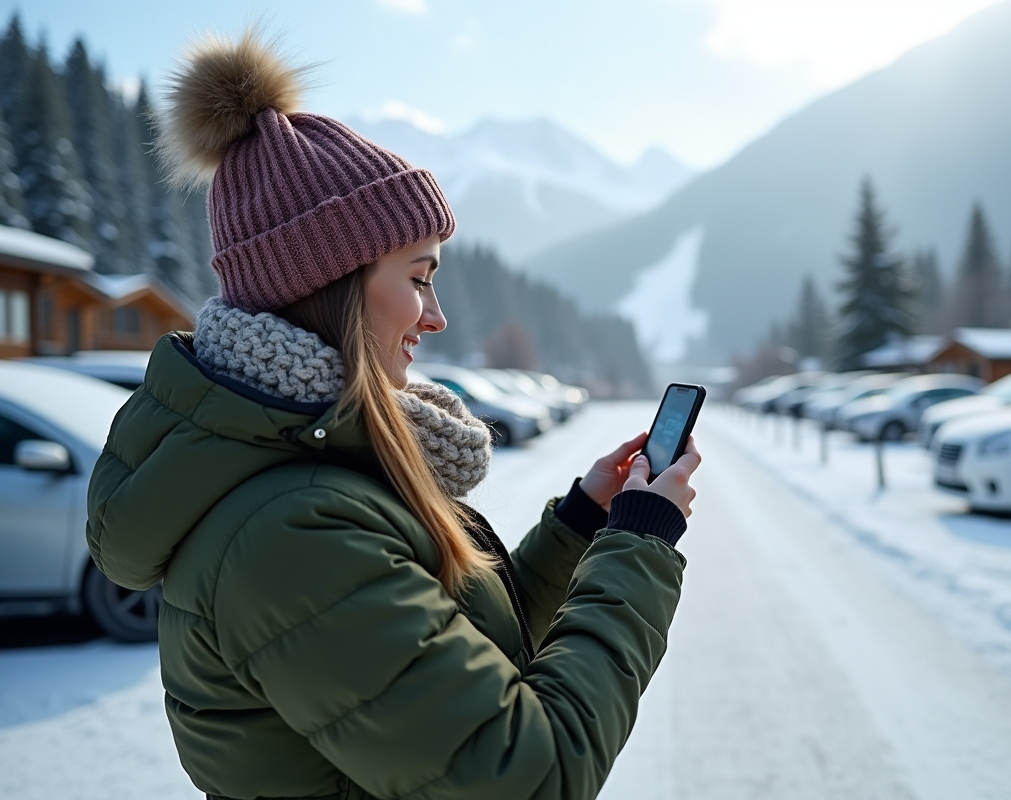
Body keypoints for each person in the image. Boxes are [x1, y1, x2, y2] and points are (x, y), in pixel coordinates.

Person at [85, 29, 701, 800]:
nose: (436, 316)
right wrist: (641, 544)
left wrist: (582, 525)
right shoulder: (292, 533)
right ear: (329, 286)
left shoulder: (306, 471)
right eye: (418, 277)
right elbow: (526, 775)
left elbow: (451, 656)